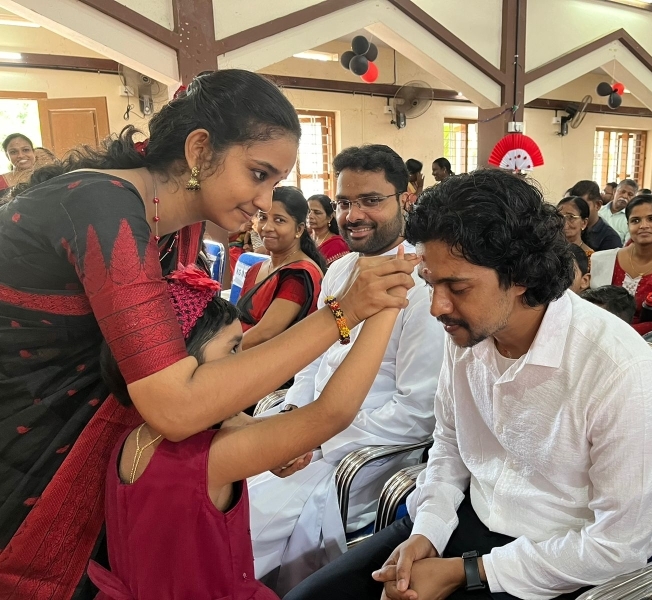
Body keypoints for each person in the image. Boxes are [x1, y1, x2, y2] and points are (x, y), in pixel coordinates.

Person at [0, 70, 418, 599]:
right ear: (199, 150)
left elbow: (173, 365)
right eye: (258, 174)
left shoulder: (176, 223)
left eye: (275, 183)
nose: (265, 201)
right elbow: (175, 403)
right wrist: (345, 312)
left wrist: (248, 426)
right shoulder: (105, 208)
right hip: (32, 441)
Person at [287, 169, 652, 600]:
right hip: (466, 518)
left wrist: (466, 572)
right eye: (431, 283)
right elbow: (450, 444)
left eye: (457, 287)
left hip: (556, 558)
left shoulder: (618, 370)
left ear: (521, 275)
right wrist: (428, 532)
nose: (437, 306)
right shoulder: (469, 333)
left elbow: (620, 547)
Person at [89, 263, 406, 599]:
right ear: (182, 366)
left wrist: (257, 432)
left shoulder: (135, 436)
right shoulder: (212, 459)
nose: (244, 362)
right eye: (233, 350)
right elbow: (332, 412)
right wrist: (383, 309)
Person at [248, 144, 444, 594]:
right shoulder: (339, 271)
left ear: (406, 198)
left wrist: (315, 439)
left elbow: (418, 411)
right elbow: (313, 362)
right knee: (218, 491)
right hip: (310, 433)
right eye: (343, 202)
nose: (353, 215)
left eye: (370, 200)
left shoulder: (424, 284)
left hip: (366, 454)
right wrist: (291, 418)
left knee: (244, 524)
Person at [238, 187, 326, 351]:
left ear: (299, 229)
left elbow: (265, 334)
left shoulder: (299, 275)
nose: (266, 227)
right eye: (263, 218)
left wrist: (222, 355)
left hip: (264, 360)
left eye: (279, 220)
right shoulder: (256, 269)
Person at [591, 195, 652, 335]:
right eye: (635, 220)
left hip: (646, 342)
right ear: (628, 225)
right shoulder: (606, 258)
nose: (643, 226)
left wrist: (617, 332)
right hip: (596, 333)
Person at [567, 180, 622, 251]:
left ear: (597, 205)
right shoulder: (567, 228)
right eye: (574, 207)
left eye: (583, 206)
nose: (577, 211)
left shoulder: (610, 239)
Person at [306, 193, 350, 265]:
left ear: (329, 217)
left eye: (317, 213)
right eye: (308, 211)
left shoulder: (337, 245)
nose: (310, 216)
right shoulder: (305, 239)